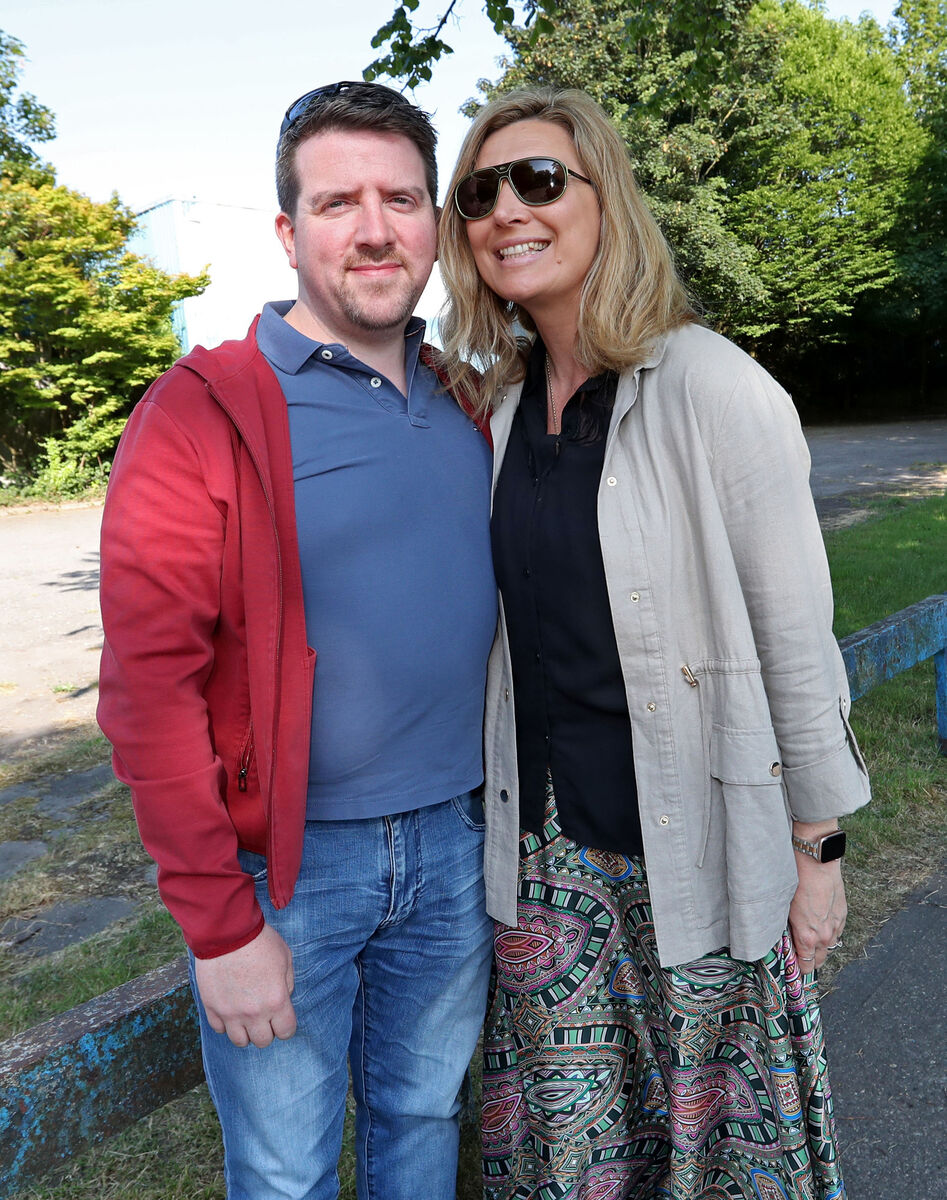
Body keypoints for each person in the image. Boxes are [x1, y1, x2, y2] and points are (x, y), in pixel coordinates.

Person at [438, 86, 871, 1200]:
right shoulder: (493, 409)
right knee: (576, 1162)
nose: (505, 211)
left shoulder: (714, 389)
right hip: (544, 869)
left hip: (694, 848)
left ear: (604, 201)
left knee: (713, 1161)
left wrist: (815, 854)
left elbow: (793, 639)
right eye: (480, 192)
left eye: (538, 180)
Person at [97, 81, 497, 1200]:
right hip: (288, 873)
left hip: (455, 847)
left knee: (421, 1119)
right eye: (337, 203)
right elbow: (147, 692)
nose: (373, 228)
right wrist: (218, 926)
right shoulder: (201, 411)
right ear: (288, 232)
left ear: (433, 224)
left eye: (401, 199)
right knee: (283, 1173)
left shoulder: (463, 397)